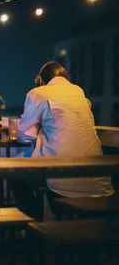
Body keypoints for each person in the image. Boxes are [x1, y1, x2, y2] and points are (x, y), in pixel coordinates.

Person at [12, 61, 114, 218]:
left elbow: (25, 136)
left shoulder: (37, 93)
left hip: (62, 181)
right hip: (97, 177)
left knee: (14, 173)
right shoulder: (78, 91)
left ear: (41, 80)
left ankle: (33, 226)